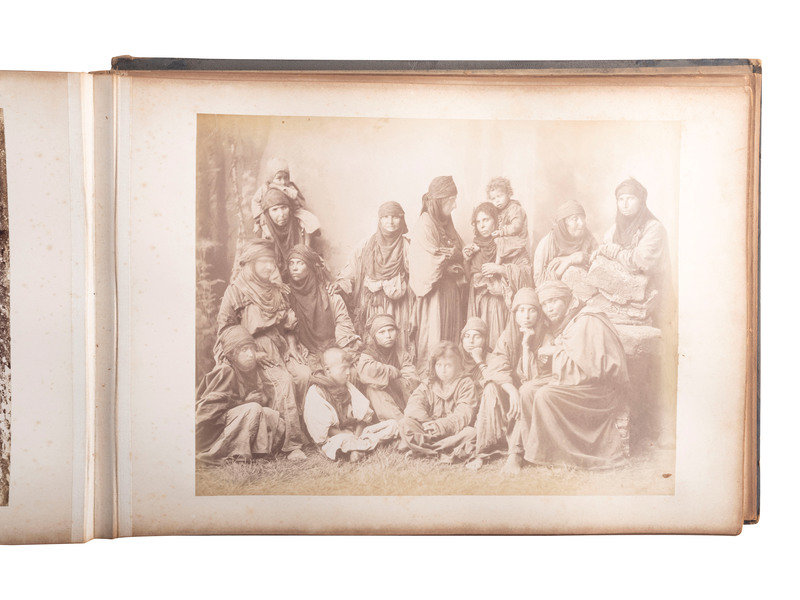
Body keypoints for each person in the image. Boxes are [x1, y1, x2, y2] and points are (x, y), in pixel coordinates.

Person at [521, 280, 630, 470]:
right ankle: (539, 453)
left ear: (566, 300)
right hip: (578, 382)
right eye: (545, 304)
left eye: (554, 301)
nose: (549, 308)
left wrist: (554, 351)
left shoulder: (587, 320)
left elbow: (593, 369)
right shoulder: (568, 322)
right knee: (527, 390)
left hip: (600, 389)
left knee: (546, 395)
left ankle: (561, 457)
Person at [215, 239, 308, 460]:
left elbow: (288, 326)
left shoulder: (276, 290)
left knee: (304, 374)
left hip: (279, 346)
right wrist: (252, 354)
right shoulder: (236, 291)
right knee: (283, 381)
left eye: (271, 262)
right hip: (250, 352)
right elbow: (226, 330)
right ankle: (290, 444)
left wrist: (291, 347)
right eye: (263, 262)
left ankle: (307, 432)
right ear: (251, 263)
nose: (269, 267)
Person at [477, 288, 555, 475]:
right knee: (491, 387)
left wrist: (526, 346)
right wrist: (511, 390)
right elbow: (497, 366)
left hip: (535, 392)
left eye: (531, 310)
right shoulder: (508, 335)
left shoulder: (547, 336)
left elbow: (534, 378)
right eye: (521, 310)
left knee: (526, 391)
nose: (526, 316)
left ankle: (516, 454)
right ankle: (484, 448)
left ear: (539, 313)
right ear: (514, 314)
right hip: (515, 390)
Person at [587, 177, 672, 326]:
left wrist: (616, 252)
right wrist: (601, 251)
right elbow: (605, 247)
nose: (624, 204)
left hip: (652, 299)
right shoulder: (616, 228)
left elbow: (640, 262)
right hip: (621, 297)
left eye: (630, 199)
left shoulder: (654, 228)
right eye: (621, 199)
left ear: (641, 201)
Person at [196, 326, 286, 465]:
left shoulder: (247, 370)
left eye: (252, 349)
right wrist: (244, 402)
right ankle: (231, 454)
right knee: (253, 408)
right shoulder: (225, 370)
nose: (250, 354)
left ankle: (260, 455)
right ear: (232, 354)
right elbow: (206, 410)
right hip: (212, 433)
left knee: (273, 416)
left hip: (231, 422)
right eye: (244, 350)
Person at [335, 201, 415, 353]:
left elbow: (417, 274)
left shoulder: (407, 246)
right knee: (373, 341)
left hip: (398, 304)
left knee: (396, 337)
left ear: (402, 219)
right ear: (379, 220)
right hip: (372, 302)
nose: (390, 221)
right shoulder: (367, 244)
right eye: (385, 217)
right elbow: (352, 268)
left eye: (395, 217)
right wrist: (342, 284)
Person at [409, 176, 467, 371]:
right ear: (440, 201)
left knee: (450, 336)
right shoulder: (425, 224)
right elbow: (425, 260)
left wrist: (458, 254)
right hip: (434, 294)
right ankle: (432, 376)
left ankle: (451, 375)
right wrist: (449, 259)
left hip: (450, 292)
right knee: (435, 333)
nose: (455, 205)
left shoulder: (445, 222)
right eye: (451, 201)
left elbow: (458, 248)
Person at [304, 347, 399, 461]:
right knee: (340, 442)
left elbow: (363, 418)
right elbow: (325, 430)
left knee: (393, 424)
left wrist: (357, 437)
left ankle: (358, 450)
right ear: (328, 370)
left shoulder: (348, 386)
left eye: (349, 368)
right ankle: (366, 446)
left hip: (357, 434)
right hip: (336, 437)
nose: (348, 372)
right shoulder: (317, 392)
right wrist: (350, 437)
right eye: (344, 368)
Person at [286, 244, 360, 383]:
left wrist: (341, 352)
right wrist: (293, 346)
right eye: (291, 263)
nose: (294, 268)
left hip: (332, 346)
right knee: (310, 377)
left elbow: (343, 323)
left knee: (348, 373)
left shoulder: (329, 294)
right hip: (304, 349)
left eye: (300, 263)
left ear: (309, 266)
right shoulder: (287, 295)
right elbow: (287, 328)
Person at [456, 317, 523, 470]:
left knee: (491, 386)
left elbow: (494, 378)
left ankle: (481, 450)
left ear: (485, 339)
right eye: (467, 336)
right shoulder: (456, 359)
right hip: (464, 409)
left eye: (477, 336)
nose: (471, 341)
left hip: (488, 412)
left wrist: (479, 361)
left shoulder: (493, 358)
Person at [464, 202, 533, 349]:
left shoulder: (511, 243)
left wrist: (500, 269)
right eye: (478, 222)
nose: (482, 226)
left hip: (503, 305)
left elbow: (527, 273)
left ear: (496, 221)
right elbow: (467, 280)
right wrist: (466, 260)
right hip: (480, 305)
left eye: (486, 220)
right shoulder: (475, 247)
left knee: (501, 344)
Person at [399, 341, 478, 463]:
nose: (443, 370)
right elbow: (413, 406)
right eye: (439, 365)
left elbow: (463, 414)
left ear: (457, 365)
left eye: (448, 366)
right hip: (428, 430)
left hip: (454, 432)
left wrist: (440, 426)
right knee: (405, 423)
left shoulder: (466, 383)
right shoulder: (428, 383)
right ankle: (442, 450)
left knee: (472, 433)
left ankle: (423, 450)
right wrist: (428, 423)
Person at [356, 313, 420, 420]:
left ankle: (412, 417)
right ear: (374, 336)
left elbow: (412, 377)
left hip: (400, 397)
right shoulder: (368, 354)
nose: (388, 336)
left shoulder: (401, 353)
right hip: (381, 403)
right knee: (373, 389)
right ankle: (400, 422)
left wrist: (391, 380)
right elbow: (367, 372)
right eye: (382, 332)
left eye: (391, 330)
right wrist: (393, 371)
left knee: (409, 386)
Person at [532, 200, 598, 299]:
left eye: (583, 218)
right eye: (575, 219)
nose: (582, 223)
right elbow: (540, 283)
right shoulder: (548, 243)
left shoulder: (588, 237)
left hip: (586, 294)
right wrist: (568, 261)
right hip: (555, 298)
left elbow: (599, 265)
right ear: (563, 224)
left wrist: (585, 258)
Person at [251, 157, 321, 241]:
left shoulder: (289, 187)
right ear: (271, 178)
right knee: (265, 228)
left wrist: (282, 189)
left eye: (286, 177)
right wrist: (260, 214)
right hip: (271, 215)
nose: (283, 182)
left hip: (292, 212)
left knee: (307, 221)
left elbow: (296, 197)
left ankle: (307, 245)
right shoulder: (265, 187)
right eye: (279, 178)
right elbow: (255, 201)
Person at [252, 186, 311, 277]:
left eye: (284, 208)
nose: (281, 214)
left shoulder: (300, 227)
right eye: (274, 209)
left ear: (290, 209)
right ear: (267, 213)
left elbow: (306, 258)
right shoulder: (263, 232)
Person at [485, 177, 530, 264]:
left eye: (500, 196)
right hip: (506, 239)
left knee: (499, 241)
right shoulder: (498, 211)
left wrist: (502, 232)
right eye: (493, 198)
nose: (497, 201)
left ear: (508, 194)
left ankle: (497, 264)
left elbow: (517, 226)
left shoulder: (514, 208)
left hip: (517, 239)